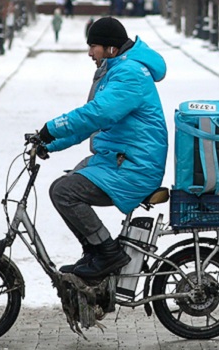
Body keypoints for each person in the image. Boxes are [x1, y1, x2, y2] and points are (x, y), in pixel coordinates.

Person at [36, 17, 168, 280]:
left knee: (65, 191)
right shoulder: (118, 70)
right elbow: (92, 125)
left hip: (135, 166)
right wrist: (49, 142)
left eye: (93, 46)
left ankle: (108, 253)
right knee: (65, 185)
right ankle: (95, 254)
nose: (89, 53)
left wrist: (52, 126)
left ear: (110, 48)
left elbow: (96, 113)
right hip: (120, 160)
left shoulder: (129, 74)